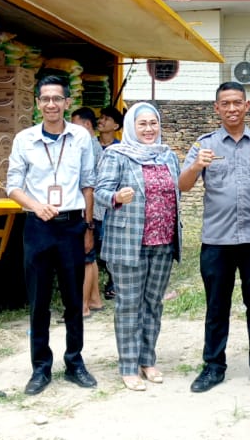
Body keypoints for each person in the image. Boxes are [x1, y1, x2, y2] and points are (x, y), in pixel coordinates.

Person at [6, 76, 99, 396]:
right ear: (37, 103)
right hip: (38, 226)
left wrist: (88, 227)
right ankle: (40, 368)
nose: (50, 105)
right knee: (39, 301)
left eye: (56, 99)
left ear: (66, 102)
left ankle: (75, 362)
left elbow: (89, 184)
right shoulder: (25, 140)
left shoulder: (81, 138)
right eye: (44, 99)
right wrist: (36, 206)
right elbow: (13, 186)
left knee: (74, 300)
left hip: (72, 225)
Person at [179, 81, 250, 394]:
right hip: (217, 241)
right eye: (225, 104)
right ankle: (213, 366)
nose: (232, 109)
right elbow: (183, 185)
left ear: (247, 106)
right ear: (216, 108)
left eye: (237, 103)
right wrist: (196, 165)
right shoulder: (204, 145)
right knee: (216, 307)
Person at [96, 102, 182, 392]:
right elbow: (100, 192)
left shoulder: (167, 156)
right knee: (128, 304)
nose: (148, 129)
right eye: (142, 124)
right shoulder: (116, 154)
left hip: (163, 241)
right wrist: (117, 196)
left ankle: (148, 360)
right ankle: (128, 365)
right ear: (132, 126)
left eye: (153, 123)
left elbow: (177, 191)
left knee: (153, 304)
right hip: (128, 242)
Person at [71, 106, 105, 317]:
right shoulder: (94, 145)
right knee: (89, 258)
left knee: (85, 257)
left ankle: (82, 306)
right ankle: (94, 299)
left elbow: (88, 185)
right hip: (95, 209)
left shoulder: (88, 147)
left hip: (90, 209)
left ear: (86, 124)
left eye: (74, 124)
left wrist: (88, 220)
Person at [97, 106, 124, 300]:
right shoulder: (90, 145)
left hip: (112, 205)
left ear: (116, 125)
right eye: (101, 118)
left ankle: (113, 281)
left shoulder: (120, 150)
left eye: (106, 119)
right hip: (92, 203)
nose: (101, 121)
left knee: (111, 243)